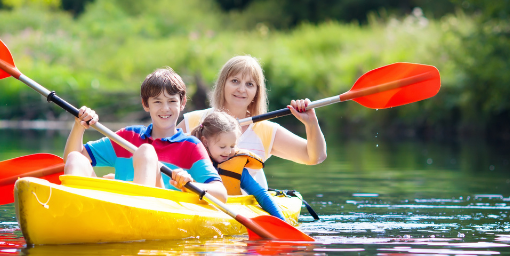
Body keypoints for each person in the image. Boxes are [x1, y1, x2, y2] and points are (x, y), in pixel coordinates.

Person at [63, 67, 228, 202]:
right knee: (76, 158)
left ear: (182, 103)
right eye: (157, 102)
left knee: (146, 152)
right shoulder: (128, 136)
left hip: (156, 211)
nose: (165, 109)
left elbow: (221, 193)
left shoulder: (191, 146)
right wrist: (79, 126)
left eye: (172, 101)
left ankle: (135, 210)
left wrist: (189, 184)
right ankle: (75, 212)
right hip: (115, 209)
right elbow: (72, 159)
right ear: (145, 104)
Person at [178, 55, 327, 189]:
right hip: (199, 200)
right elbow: (161, 150)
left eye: (250, 84)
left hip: (248, 207)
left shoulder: (266, 130)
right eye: (235, 81)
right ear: (223, 84)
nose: (242, 89)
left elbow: (315, 156)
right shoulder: (194, 121)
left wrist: (311, 123)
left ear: (257, 92)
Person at [191, 110, 287, 220]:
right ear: (205, 141)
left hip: (226, 215)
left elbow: (260, 194)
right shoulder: (191, 161)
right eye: (222, 147)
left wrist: (281, 220)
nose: (228, 152)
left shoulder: (237, 169)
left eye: (232, 146)